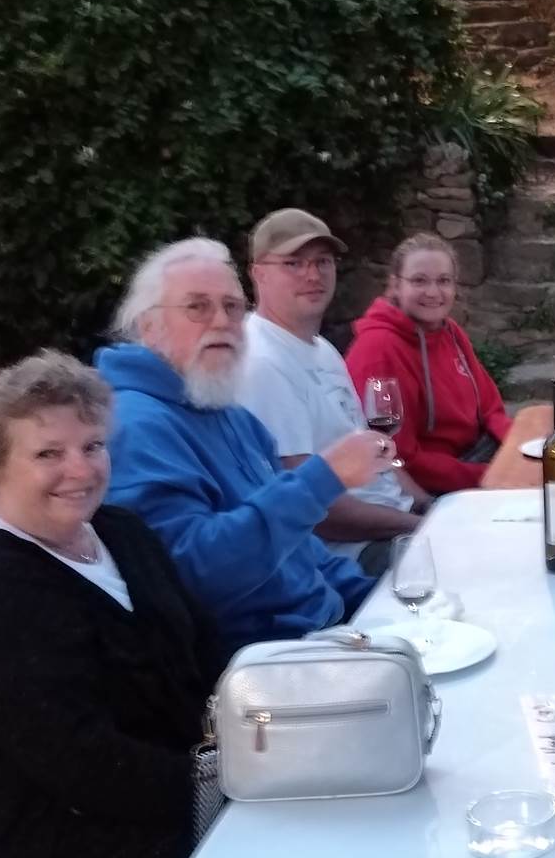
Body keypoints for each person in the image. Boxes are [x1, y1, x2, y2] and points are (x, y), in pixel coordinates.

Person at [0, 351, 223, 858]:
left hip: (165, 792)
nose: (80, 470)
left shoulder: (122, 533)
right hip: (50, 832)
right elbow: (88, 766)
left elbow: (205, 650)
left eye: (92, 446)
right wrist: (228, 783)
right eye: (48, 454)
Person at [96, 237, 394, 653]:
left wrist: (379, 602)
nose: (221, 321)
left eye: (233, 307)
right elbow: (196, 577)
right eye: (198, 306)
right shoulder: (135, 426)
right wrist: (322, 479)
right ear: (150, 327)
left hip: (333, 631)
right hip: (262, 665)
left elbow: (299, 547)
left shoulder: (231, 413)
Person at [238, 208, 432, 576]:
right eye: (293, 263)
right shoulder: (263, 363)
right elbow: (317, 510)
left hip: (395, 522)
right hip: (353, 555)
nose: (312, 275)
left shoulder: (321, 348)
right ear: (258, 274)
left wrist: (426, 503)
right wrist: (419, 527)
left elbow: (373, 449)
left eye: (322, 261)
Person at [344, 232, 512, 495]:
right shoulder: (379, 349)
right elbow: (401, 459)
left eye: (443, 281)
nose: (433, 292)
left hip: (474, 457)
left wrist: (517, 449)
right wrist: (490, 475)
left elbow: (491, 407)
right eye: (419, 281)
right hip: (431, 484)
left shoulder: (450, 332)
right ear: (395, 285)